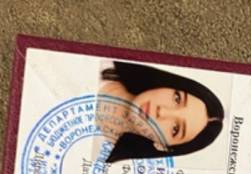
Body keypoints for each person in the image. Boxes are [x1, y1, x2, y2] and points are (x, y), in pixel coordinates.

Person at [96, 60, 225, 163]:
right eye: (177, 99)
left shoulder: (98, 160)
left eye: (175, 129)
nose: (162, 112)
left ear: (163, 147)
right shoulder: (101, 62)